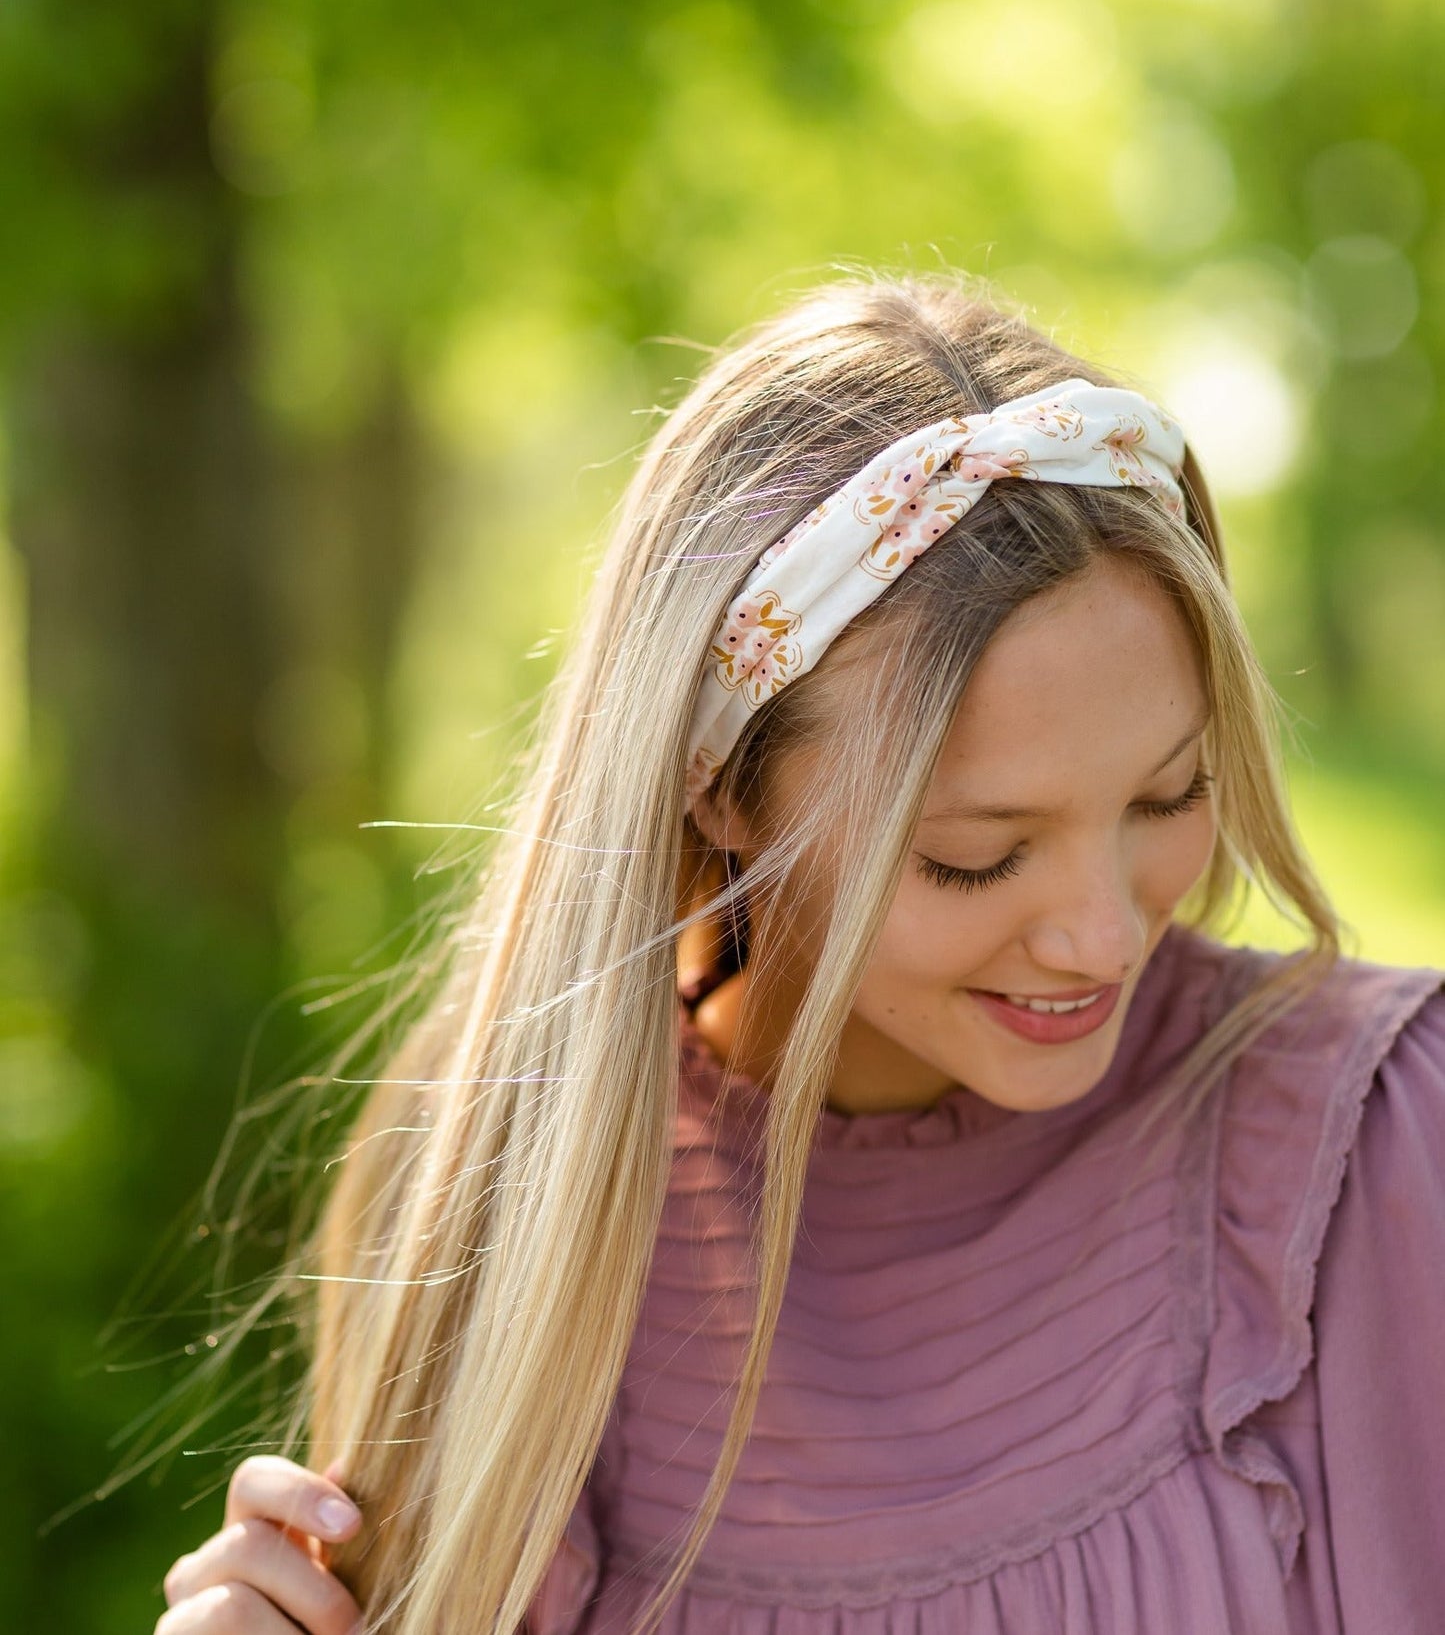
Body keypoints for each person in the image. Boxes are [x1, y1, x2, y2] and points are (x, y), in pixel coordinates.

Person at [153, 273, 1445, 1635]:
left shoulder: (1389, 1144)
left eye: (1166, 798)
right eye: (972, 852)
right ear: (719, 789)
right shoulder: (496, 1203)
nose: (1104, 933)